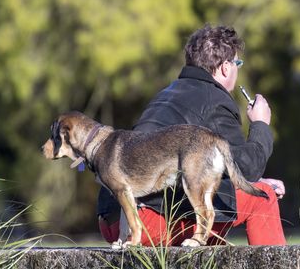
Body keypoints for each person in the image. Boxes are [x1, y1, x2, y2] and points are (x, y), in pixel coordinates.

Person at [97, 24, 286, 245]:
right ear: (226, 67)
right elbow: (249, 168)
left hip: (113, 218)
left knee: (217, 231)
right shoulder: (216, 101)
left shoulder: (166, 94)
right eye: (237, 64)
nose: (237, 69)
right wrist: (261, 125)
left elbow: (216, 166)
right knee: (262, 197)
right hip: (149, 222)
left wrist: (254, 179)